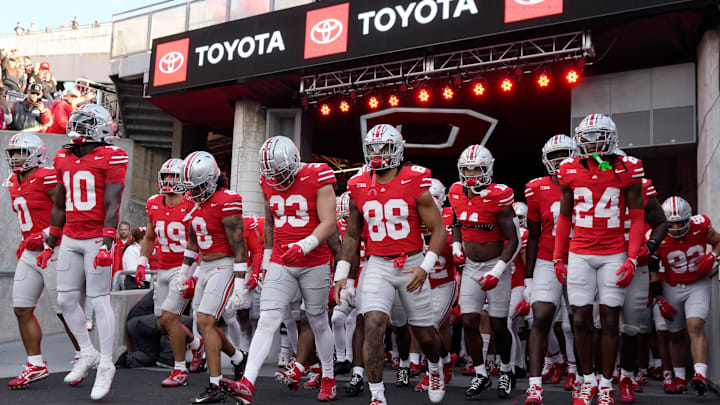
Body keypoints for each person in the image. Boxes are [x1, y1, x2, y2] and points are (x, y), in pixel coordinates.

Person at [220, 135, 339, 404]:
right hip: (282, 260)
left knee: (318, 320)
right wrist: (268, 259)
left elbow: (329, 222)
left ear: (295, 163)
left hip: (314, 260)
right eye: (272, 174)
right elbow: (270, 223)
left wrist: (305, 244)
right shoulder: (267, 181)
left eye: (282, 173)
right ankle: (247, 382)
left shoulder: (317, 175)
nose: (278, 179)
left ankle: (329, 376)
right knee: (268, 319)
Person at [335, 124, 447, 404]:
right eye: (372, 148)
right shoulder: (358, 185)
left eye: (383, 148)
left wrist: (425, 266)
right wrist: (343, 274)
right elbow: (351, 233)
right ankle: (377, 395)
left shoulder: (415, 181)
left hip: (412, 262)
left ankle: (435, 366)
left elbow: (439, 229)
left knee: (424, 335)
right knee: (372, 323)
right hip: (378, 264)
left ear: (397, 149)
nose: (377, 154)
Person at [36, 103, 127, 400]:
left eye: (85, 122)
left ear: (101, 127)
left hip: (96, 238)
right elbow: (60, 204)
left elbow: (114, 203)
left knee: (100, 300)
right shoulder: (62, 155)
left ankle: (106, 365)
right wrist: (50, 244)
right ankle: (87, 352)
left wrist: (109, 241)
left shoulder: (112, 156)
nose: (76, 125)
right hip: (72, 238)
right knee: (65, 300)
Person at [553, 114, 646, 405]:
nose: (592, 143)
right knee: (579, 319)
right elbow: (565, 217)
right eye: (587, 137)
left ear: (611, 137)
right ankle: (588, 379)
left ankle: (606, 383)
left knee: (609, 320)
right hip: (580, 252)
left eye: (598, 136)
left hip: (613, 252)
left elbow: (638, 215)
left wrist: (632, 259)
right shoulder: (568, 168)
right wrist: (559, 257)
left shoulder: (628, 167)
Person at [5, 132, 80, 389]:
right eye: (13, 153)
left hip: (55, 248)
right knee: (22, 308)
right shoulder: (13, 183)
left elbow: (70, 212)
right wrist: (28, 240)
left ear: (36, 154)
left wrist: (46, 234)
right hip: (31, 251)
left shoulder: (47, 176)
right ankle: (35, 364)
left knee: (64, 310)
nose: (16, 158)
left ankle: (86, 355)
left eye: (22, 153)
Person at [449, 144, 521, 400]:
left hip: (496, 265)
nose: (471, 174)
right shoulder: (456, 191)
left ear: (488, 169)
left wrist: (499, 270)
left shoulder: (500, 195)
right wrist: (457, 245)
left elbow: (514, 240)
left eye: (476, 169)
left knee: (499, 325)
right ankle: (481, 373)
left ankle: (506, 370)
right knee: (469, 320)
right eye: (466, 169)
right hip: (470, 266)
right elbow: (457, 221)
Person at [180, 151, 249, 404]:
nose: (194, 193)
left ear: (211, 180)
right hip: (205, 265)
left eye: (198, 187)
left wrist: (240, 284)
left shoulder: (227, 201)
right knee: (202, 323)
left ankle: (216, 384)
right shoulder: (193, 202)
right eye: (191, 188)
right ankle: (239, 358)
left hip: (224, 264)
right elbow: (193, 240)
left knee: (206, 321)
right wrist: (184, 272)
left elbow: (239, 245)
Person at [137, 158, 205, 387]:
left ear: (185, 179)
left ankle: (179, 370)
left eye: (174, 177)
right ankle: (196, 344)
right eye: (166, 176)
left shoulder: (193, 205)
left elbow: (201, 241)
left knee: (170, 317)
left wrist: (195, 274)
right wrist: (141, 262)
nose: (169, 181)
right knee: (162, 322)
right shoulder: (154, 203)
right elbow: (149, 236)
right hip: (162, 267)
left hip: (183, 267)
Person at [523, 134, 576, 404]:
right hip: (546, 257)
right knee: (540, 316)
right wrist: (529, 277)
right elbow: (532, 235)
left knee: (579, 322)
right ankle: (534, 386)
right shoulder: (536, 189)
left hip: (580, 258)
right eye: (554, 156)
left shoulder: (587, 181)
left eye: (564, 153)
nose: (559, 160)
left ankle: (578, 372)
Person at [651, 196, 719, 396]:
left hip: (697, 283)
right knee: (674, 334)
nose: (677, 226)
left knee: (695, 325)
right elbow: (653, 272)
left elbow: (718, 241)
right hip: (672, 286)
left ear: (690, 218)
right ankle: (679, 378)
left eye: (681, 221)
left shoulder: (701, 225)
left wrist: (712, 256)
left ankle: (699, 374)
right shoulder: (657, 236)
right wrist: (659, 300)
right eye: (672, 223)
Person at [414, 178, 459, 392]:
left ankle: (433, 372)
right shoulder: (413, 219)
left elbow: (460, 249)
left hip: (445, 282)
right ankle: (447, 361)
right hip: (423, 284)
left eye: (436, 198)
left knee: (429, 326)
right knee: (437, 328)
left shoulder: (451, 218)